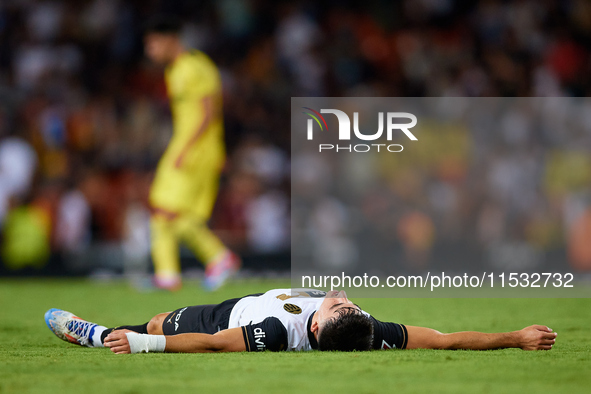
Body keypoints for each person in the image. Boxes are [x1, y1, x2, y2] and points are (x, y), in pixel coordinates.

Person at [44, 289, 557, 354]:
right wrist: (516, 337)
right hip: (253, 300)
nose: (344, 297)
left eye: (337, 306)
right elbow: (444, 341)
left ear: (314, 328)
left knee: (157, 322)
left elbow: (219, 343)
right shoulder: (368, 332)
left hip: (228, 313)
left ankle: (94, 336)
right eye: (352, 306)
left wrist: (145, 345)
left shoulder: (276, 332)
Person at [143, 16, 240, 291]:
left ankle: (208, 261)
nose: (149, 51)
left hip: (194, 150)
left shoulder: (194, 67)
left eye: (152, 44)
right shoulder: (175, 70)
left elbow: (209, 112)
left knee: (164, 209)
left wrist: (186, 149)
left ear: (170, 39)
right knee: (173, 215)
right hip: (193, 147)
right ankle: (178, 272)